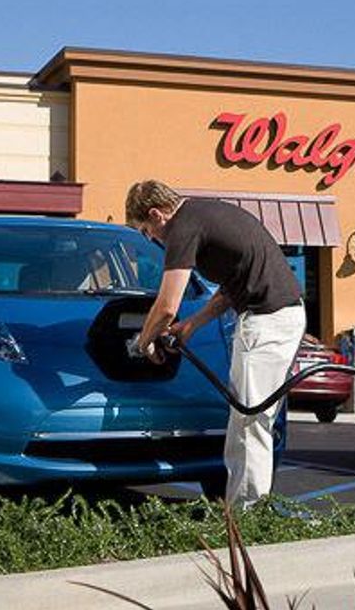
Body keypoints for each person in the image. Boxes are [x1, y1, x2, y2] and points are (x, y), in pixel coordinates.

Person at [125, 180, 306, 508]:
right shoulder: (205, 214)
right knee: (244, 421)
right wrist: (192, 325)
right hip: (274, 317)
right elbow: (232, 284)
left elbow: (167, 305)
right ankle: (240, 508)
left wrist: (143, 341)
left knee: (251, 422)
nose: (149, 238)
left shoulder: (182, 228)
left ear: (157, 214)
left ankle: (249, 515)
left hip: (268, 322)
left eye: (145, 230)